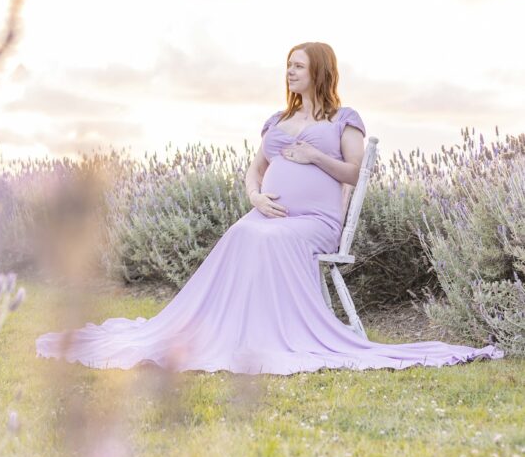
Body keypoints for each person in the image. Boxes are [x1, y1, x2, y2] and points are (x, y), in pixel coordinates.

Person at [35, 42, 504, 374]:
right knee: (244, 231)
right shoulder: (277, 121)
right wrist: (255, 197)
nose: (289, 73)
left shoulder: (344, 120)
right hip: (267, 215)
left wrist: (317, 157)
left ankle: (276, 337)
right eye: (286, 66)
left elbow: (355, 174)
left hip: (316, 224)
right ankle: (231, 333)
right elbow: (254, 170)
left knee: (263, 236)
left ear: (319, 71)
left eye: (297, 66)